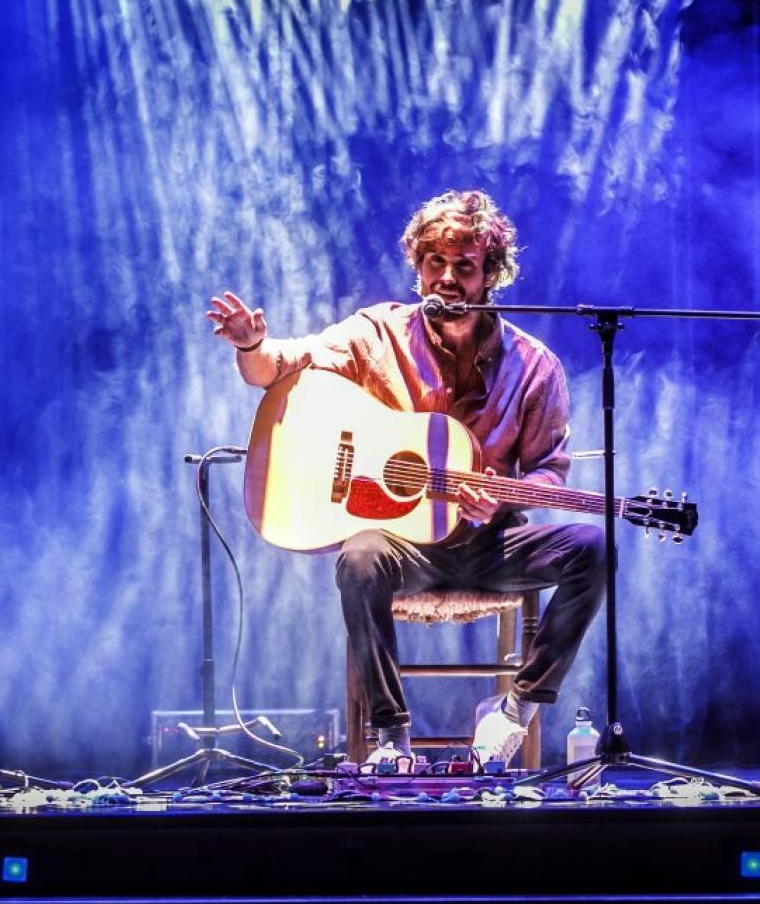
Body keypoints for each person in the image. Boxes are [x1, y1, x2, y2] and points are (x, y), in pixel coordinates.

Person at [207, 189, 604, 765]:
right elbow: (283, 366)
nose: (446, 278)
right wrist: (251, 346)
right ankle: (392, 736)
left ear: (490, 275)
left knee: (592, 547)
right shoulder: (377, 334)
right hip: (405, 549)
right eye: (433, 264)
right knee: (359, 556)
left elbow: (549, 474)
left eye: (463, 267)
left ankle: (515, 710)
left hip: (491, 545)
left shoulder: (536, 366)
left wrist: (497, 501)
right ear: (417, 268)